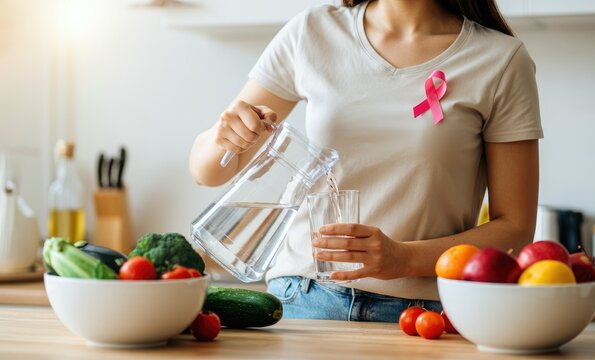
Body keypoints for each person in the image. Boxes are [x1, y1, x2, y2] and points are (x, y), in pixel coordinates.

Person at [189, 0, 542, 322]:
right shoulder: (311, 32)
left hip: (424, 317)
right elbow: (206, 172)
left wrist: (403, 259)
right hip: (303, 298)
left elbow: (516, 228)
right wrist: (225, 136)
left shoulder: (501, 60)